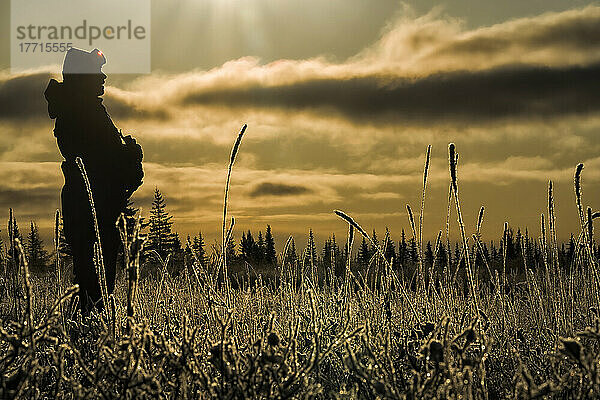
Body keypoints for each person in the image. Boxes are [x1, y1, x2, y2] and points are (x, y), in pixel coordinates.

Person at [44, 47, 143, 313]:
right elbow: (103, 158)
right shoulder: (83, 112)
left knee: (92, 281)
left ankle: (86, 330)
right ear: (82, 77)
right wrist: (132, 156)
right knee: (95, 284)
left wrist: (128, 158)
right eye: (96, 72)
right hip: (91, 202)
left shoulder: (80, 109)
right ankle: (89, 334)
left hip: (90, 200)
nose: (103, 77)